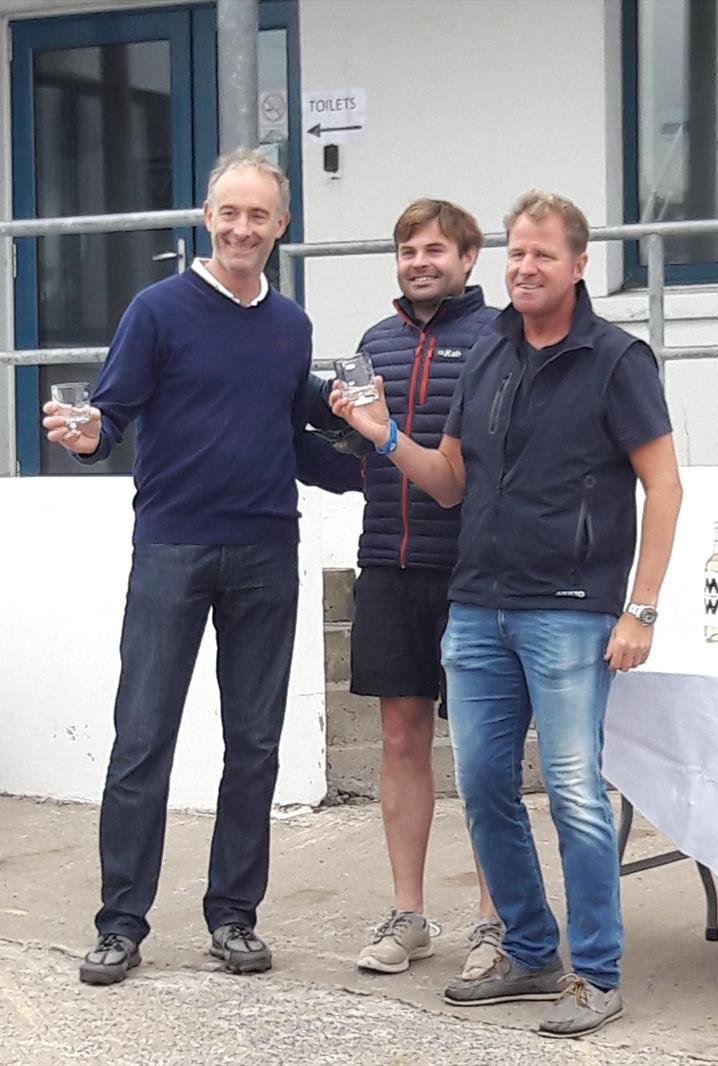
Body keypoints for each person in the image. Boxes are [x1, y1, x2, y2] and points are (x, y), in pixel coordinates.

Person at [330, 189, 682, 1037]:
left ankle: (596, 973)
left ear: (578, 266)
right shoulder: (487, 353)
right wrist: (381, 436)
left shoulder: (616, 359)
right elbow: (450, 480)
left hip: (571, 612)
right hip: (476, 607)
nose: (527, 267)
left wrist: (641, 609)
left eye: (543, 256)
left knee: (572, 794)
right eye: (518, 253)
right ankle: (529, 952)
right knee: (485, 787)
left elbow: (663, 486)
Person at [42, 148, 361, 986]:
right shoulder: (157, 310)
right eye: (229, 213)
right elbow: (108, 416)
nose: (242, 228)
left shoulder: (291, 325)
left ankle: (234, 919)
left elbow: (291, 434)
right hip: (172, 550)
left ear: (281, 225)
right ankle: (119, 925)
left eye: (258, 215)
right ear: (206, 217)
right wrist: (86, 441)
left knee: (254, 746)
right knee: (142, 740)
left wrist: (375, 468)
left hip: (265, 550)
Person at [308, 199, 503, 978]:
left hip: (475, 572)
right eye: (406, 251)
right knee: (399, 740)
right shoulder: (374, 343)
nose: (419, 263)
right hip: (387, 564)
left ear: (467, 260)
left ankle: (497, 920)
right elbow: (359, 452)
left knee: (484, 753)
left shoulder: (498, 337)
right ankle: (409, 914)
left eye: (433, 250)